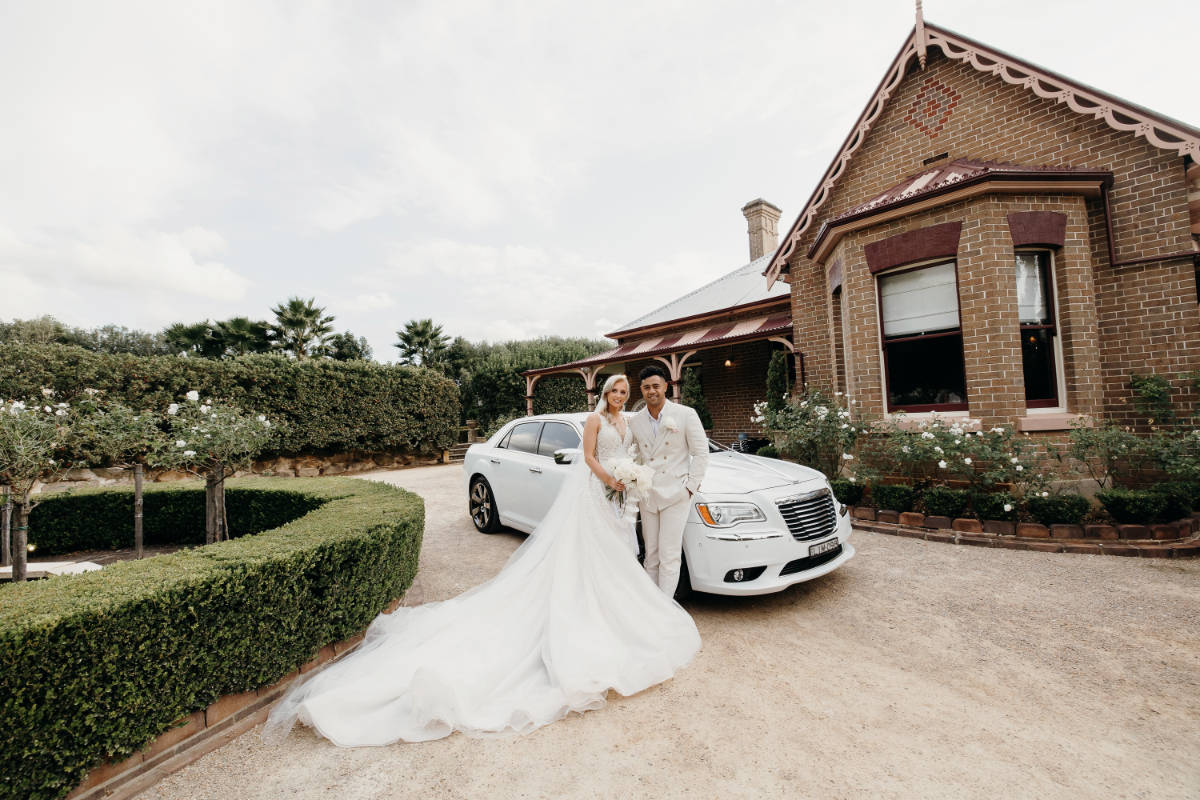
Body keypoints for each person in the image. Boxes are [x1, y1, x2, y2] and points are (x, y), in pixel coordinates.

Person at [262, 374, 699, 747]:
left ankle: (618, 616)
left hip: (618, 503)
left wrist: (629, 479)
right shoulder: (592, 419)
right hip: (597, 493)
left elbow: (639, 454)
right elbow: (587, 458)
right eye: (617, 391)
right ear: (605, 392)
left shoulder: (629, 421)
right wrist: (610, 478)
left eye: (627, 391)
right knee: (586, 560)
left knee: (621, 560)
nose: (622, 396)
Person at [629, 366, 709, 596]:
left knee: (670, 555)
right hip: (649, 495)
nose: (651, 391)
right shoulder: (635, 422)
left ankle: (665, 608)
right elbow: (634, 457)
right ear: (641, 391)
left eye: (656, 386)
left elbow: (701, 454)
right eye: (646, 387)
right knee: (651, 554)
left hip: (676, 495)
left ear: (666, 386)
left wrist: (690, 488)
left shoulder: (685, 414)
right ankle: (652, 605)